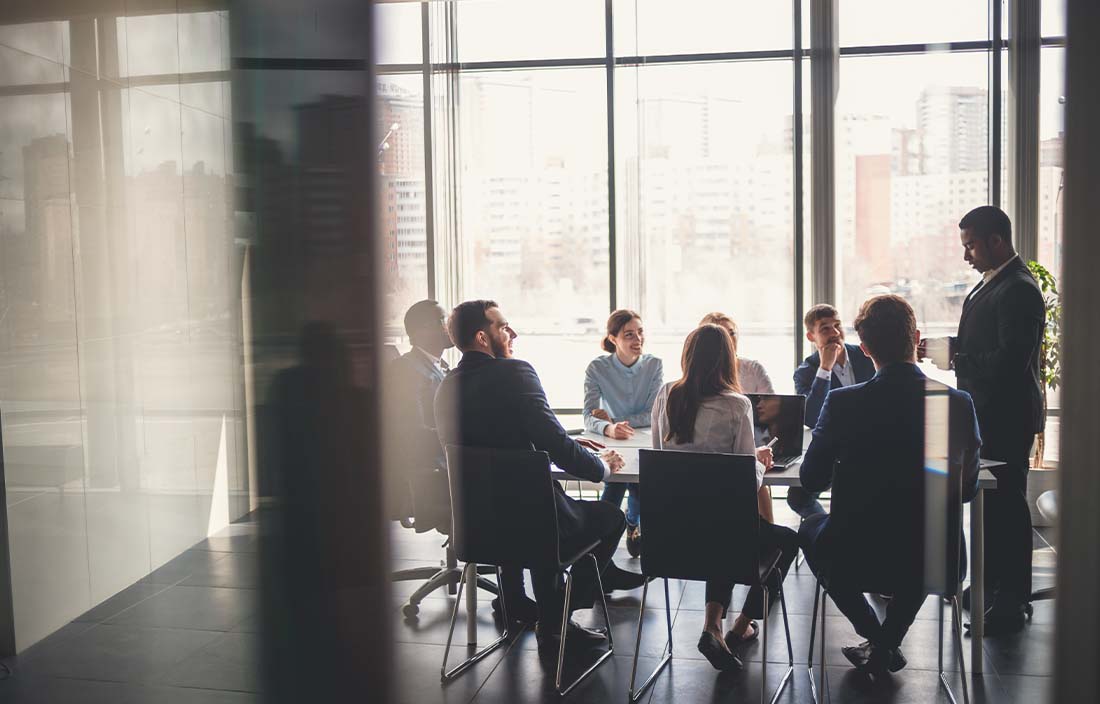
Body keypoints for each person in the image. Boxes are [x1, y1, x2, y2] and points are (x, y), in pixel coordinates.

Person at [435, 300, 646, 652]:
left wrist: (558, 441)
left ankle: (514, 601)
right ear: (482, 337)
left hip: (477, 528)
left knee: (528, 508)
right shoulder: (515, 372)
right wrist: (603, 467)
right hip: (535, 525)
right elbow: (559, 449)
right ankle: (556, 620)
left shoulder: (446, 387)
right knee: (611, 518)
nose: (513, 332)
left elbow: (496, 438)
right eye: (503, 326)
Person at [799, 295, 981, 676]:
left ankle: (876, 636)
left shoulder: (843, 403)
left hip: (857, 552)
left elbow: (810, 480)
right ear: (916, 337)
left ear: (864, 349)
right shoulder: (956, 403)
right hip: (937, 557)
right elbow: (966, 490)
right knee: (921, 537)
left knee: (810, 530)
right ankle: (888, 641)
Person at [923, 205, 1045, 635]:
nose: (966, 256)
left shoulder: (1019, 288)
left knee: (1007, 508)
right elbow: (987, 342)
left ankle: (1009, 601)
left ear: (997, 240)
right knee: (992, 508)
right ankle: (992, 589)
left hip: (1006, 416)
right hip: (988, 412)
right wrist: (947, 347)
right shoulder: (992, 284)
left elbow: (1013, 360)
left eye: (971, 245)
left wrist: (958, 358)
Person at [651, 324, 799, 672]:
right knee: (784, 542)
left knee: (726, 528)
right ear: (728, 361)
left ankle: (712, 626)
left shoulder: (665, 394)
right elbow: (746, 482)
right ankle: (740, 624)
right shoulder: (736, 405)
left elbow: (659, 458)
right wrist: (760, 461)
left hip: (672, 539)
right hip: (725, 536)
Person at [583, 310, 663, 557]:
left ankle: (625, 526)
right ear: (613, 338)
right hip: (611, 440)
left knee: (639, 481)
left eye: (640, 332)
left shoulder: (654, 365)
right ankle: (603, 541)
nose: (637, 339)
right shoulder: (597, 368)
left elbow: (652, 413)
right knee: (616, 482)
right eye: (629, 334)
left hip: (644, 440)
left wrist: (614, 421)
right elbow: (589, 416)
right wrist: (607, 428)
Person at [788, 304, 876, 519]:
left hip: (871, 444)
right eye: (825, 328)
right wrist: (824, 369)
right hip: (833, 449)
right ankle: (829, 529)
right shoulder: (806, 372)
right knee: (798, 496)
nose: (835, 333)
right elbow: (811, 418)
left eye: (837, 326)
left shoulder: (867, 356)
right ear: (811, 336)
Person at [699, 312, 780, 522]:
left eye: (731, 333)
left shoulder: (752, 369)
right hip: (729, 459)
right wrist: (757, 461)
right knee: (754, 475)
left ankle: (765, 531)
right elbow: (746, 475)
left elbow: (772, 408)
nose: (726, 340)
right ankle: (764, 537)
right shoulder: (737, 403)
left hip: (755, 439)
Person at [698, 312, 775, 393]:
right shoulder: (698, 375)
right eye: (723, 335)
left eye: (732, 333)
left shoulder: (754, 369)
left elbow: (771, 403)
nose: (730, 340)